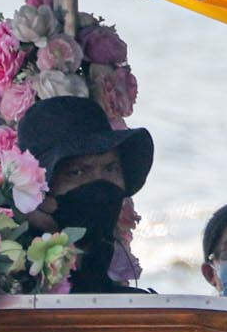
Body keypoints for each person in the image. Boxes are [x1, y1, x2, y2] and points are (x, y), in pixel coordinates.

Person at [15, 93, 152, 295]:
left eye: (110, 168)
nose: (99, 185)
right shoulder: (2, 290)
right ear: (39, 192)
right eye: (77, 172)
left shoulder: (137, 305)